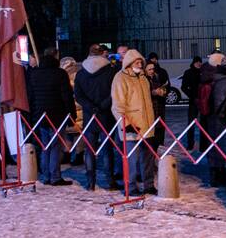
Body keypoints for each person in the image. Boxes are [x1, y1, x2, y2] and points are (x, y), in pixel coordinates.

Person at [111, 49, 158, 195]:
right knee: (132, 160)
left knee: (148, 159)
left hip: (147, 126)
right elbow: (118, 105)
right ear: (129, 63)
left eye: (141, 62)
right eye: (137, 62)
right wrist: (125, 124)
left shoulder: (143, 78)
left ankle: (149, 184)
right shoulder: (120, 78)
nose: (140, 64)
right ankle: (130, 187)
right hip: (132, 127)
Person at [27, 47, 75, 186]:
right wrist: (71, 114)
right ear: (56, 56)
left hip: (40, 115)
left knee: (45, 146)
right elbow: (66, 96)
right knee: (56, 146)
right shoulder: (60, 74)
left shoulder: (34, 74)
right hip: (57, 114)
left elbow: (31, 96)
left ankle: (46, 175)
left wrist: (32, 115)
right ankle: (55, 176)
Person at [75, 44, 119, 191]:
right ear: (102, 54)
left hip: (89, 117)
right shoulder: (111, 71)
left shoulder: (81, 73)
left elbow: (78, 95)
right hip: (106, 115)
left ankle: (90, 182)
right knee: (107, 150)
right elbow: (114, 93)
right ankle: (110, 180)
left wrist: (90, 106)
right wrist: (102, 105)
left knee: (90, 150)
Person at [203, 52, 226, 189]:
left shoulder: (213, 78)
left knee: (216, 148)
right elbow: (224, 103)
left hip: (213, 119)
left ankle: (216, 178)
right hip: (224, 119)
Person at [180, 56, 203, 151]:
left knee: (203, 124)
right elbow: (183, 87)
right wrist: (192, 96)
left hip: (203, 101)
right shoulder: (188, 72)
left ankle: (204, 145)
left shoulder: (203, 72)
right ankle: (190, 144)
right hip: (193, 102)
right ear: (194, 63)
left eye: (200, 62)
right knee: (191, 124)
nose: (199, 64)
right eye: (197, 62)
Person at [144, 60, 168, 151]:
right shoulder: (143, 79)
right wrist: (152, 92)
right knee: (150, 137)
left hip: (159, 109)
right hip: (149, 110)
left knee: (158, 134)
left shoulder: (156, 77)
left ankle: (155, 151)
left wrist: (163, 92)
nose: (152, 71)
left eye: (153, 69)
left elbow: (165, 87)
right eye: (149, 69)